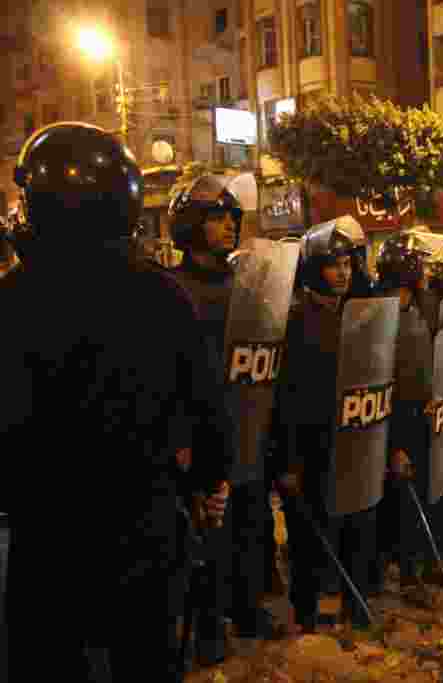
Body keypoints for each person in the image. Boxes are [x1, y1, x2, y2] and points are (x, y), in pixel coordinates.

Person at [1, 122, 234, 682]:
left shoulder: (10, 301)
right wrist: (210, 480)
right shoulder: (161, 295)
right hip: (146, 533)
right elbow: (207, 411)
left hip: (45, 543)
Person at [169, 174, 279, 661]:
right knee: (203, 547)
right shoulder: (171, 290)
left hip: (246, 433)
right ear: (191, 225)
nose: (228, 226)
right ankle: (208, 631)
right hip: (196, 443)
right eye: (216, 217)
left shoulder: (247, 287)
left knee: (251, 532)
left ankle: (249, 611)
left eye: (231, 217)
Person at [272, 218, 377, 632]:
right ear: (316, 267)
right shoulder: (296, 319)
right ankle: (305, 612)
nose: (343, 272)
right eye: (334, 264)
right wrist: (288, 462)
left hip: (349, 443)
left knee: (351, 529)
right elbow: (284, 398)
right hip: (308, 449)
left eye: (348, 264)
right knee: (306, 538)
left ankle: (351, 600)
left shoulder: (355, 315)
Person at [374, 235, 443, 596]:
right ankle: (404, 576)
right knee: (398, 503)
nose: (426, 272)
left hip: (419, 417)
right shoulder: (379, 313)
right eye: (421, 265)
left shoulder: (419, 308)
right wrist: (397, 443)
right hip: (389, 423)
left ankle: (414, 566)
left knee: (414, 495)